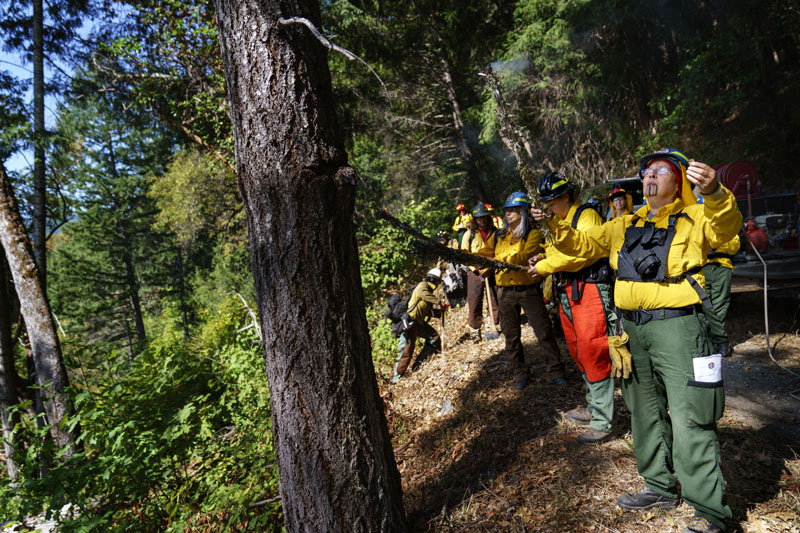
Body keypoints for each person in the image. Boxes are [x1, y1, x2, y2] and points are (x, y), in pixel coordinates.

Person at [531, 148, 742, 533]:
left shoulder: (696, 217)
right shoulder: (622, 224)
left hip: (680, 330)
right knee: (643, 414)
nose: (649, 176)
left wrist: (715, 193)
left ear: (678, 180)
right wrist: (554, 227)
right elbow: (579, 247)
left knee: (691, 416)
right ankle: (659, 486)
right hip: (632, 333)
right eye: (645, 170)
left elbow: (726, 230)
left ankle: (710, 512)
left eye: (660, 170)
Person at [528, 172, 617, 444]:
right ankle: (594, 406)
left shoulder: (586, 216)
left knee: (594, 350)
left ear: (565, 196)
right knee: (579, 351)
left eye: (551, 201)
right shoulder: (561, 221)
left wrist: (544, 267)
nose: (548, 207)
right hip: (567, 290)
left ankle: (603, 420)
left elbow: (583, 253)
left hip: (589, 287)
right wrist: (544, 256)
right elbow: (562, 252)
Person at [478, 192, 567, 390]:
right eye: (507, 210)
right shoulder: (498, 236)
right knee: (511, 336)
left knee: (543, 332)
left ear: (523, 213)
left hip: (528, 290)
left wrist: (497, 262)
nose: (507, 214)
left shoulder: (533, 234)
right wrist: (478, 262)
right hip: (504, 292)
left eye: (512, 210)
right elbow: (483, 257)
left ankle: (556, 371)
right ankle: (520, 373)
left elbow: (523, 256)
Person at [391, 268, 447, 383]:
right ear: (435, 280)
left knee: (434, 338)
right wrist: (439, 303)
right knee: (406, 351)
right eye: (438, 281)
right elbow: (424, 295)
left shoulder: (428, 292)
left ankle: (419, 365)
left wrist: (440, 310)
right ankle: (396, 378)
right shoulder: (423, 286)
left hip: (419, 323)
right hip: (409, 323)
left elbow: (428, 309)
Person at [460, 203, 500, 342]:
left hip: (492, 270)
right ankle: (475, 330)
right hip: (474, 272)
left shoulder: (496, 233)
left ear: (488, 218)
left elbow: (500, 251)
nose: (481, 221)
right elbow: (464, 254)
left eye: (484, 218)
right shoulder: (468, 235)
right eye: (478, 219)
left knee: (495, 299)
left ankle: (494, 325)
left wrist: (490, 263)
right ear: (475, 220)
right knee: (474, 300)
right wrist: (476, 265)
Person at [703, 235, 741, 357]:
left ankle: (715, 343)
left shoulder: (724, 224)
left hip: (722, 267)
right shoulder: (695, 221)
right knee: (703, 306)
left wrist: (716, 244)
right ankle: (720, 340)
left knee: (720, 305)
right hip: (700, 267)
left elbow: (734, 246)